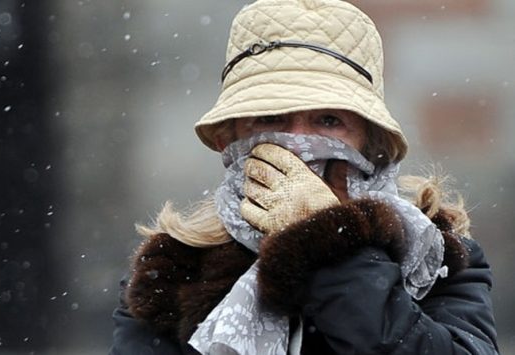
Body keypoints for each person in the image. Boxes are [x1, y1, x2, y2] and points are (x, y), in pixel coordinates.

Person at [110, 0, 499, 354]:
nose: (297, 144)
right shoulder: (174, 269)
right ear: (229, 139)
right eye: (270, 118)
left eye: (328, 121)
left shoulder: (432, 258)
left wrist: (328, 243)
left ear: (371, 144)